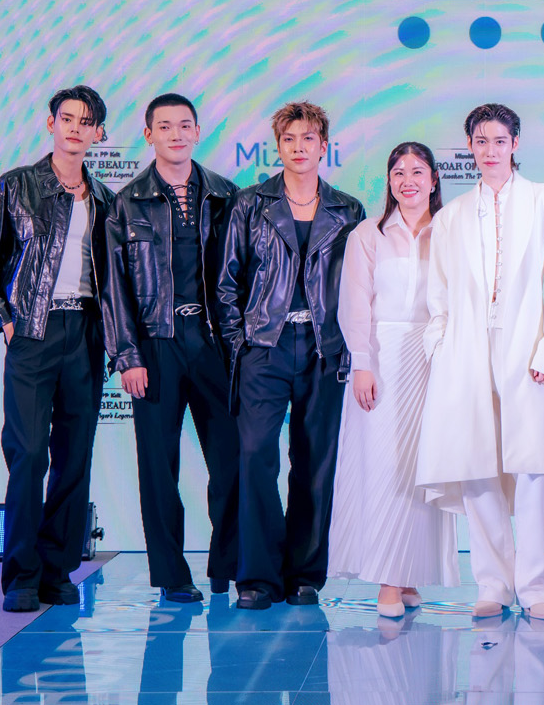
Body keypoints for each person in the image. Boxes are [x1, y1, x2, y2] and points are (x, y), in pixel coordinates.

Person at [417, 103, 544, 621]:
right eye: (480, 141)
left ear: (515, 144)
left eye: (499, 141)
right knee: (477, 465)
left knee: (531, 466)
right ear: (469, 146)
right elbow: (437, 295)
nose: (490, 151)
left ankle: (535, 586)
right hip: (465, 349)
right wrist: (440, 350)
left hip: (527, 347)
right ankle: (493, 584)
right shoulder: (452, 216)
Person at [0, 85, 114, 612]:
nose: (75, 128)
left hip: (86, 332)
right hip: (32, 332)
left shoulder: (106, 200)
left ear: (98, 133)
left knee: (74, 456)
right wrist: (4, 320)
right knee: (28, 454)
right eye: (67, 118)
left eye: (86, 121)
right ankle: (21, 576)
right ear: (51, 124)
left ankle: (57, 570)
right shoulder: (14, 187)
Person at [216, 100, 364, 609]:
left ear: (324, 146)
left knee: (315, 461)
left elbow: (359, 287)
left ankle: (304, 574)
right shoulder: (250, 205)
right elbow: (225, 283)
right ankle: (258, 577)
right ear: (277, 147)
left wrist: (348, 346)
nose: (299, 148)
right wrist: (242, 344)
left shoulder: (348, 211)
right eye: (289, 139)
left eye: (308, 139)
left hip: (325, 347)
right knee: (256, 456)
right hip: (265, 346)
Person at [102, 92, 240, 605]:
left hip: (214, 344)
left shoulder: (227, 195)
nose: (176, 134)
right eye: (165, 126)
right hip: (155, 346)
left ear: (197, 132)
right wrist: (127, 355)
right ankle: (172, 574)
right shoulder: (127, 202)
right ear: (149, 135)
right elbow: (113, 287)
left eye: (185, 125)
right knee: (159, 469)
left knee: (232, 462)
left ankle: (228, 566)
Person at [327, 142, 459, 617]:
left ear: (434, 179)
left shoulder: (452, 231)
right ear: (389, 181)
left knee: (423, 470)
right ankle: (387, 579)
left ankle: (409, 573)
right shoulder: (368, 234)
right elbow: (354, 304)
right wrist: (362, 363)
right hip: (382, 360)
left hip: (435, 359)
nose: (408, 181)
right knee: (384, 468)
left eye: (418, 171)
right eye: (399, 172)